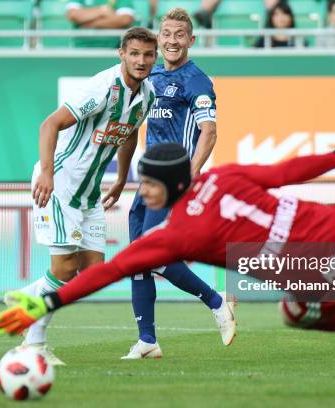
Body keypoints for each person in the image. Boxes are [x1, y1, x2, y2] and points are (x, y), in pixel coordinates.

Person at [0, 123, 335, 337]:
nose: (144, 192)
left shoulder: (176, 234)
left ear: (173, 184)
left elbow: (114, 268)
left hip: (320, 270)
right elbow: (289, 171)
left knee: (300, 315)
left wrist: (50, 300)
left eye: (150, 185)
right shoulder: (225, 176)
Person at [2, 27, 158, 366]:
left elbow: (129, 135)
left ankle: (25, 299)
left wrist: (120, 177)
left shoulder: (148, 95)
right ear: (121, 53)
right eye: (134, 53)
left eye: (147, 55)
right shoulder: (101, 88)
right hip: (60, 183)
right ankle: (34, 344)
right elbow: (49, 124)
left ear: (155, 57)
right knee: (63, 269)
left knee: (90, 275)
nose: (141, 61)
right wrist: (46, 172)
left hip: (89, 192)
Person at [123, 7, 233, 360]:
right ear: (159, 36)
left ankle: (217, 303)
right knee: (136, 259)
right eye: (167, 34)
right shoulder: (150, 73)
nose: (172, 41)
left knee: (153, 254)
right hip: (147, 180)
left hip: (173, 182)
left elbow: (210, 131)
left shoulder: (196, 80)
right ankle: (147, 340)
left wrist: (191, 173)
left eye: (179, 35)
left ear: (191, 40)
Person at [66, 0, 135, 48]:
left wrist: (89, 23)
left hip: (114, 49)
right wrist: (102, 10)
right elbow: (73, 15)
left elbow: (125, 20)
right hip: (80, 48)